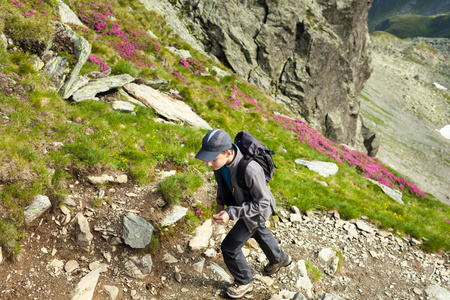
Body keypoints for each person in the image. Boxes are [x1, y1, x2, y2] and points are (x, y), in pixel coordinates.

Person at [195, 129, 291, 299]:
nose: (208, 164)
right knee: (259, 231)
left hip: (258, 210)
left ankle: (244, 281)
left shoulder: (250, 170)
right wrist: (220, 203)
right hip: (246, 205)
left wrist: (232, 213)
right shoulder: (220, 163)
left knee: (229, 247)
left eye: (213, 158)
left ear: (228, 152)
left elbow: (262, 203)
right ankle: (279, 259)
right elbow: (222, 184)